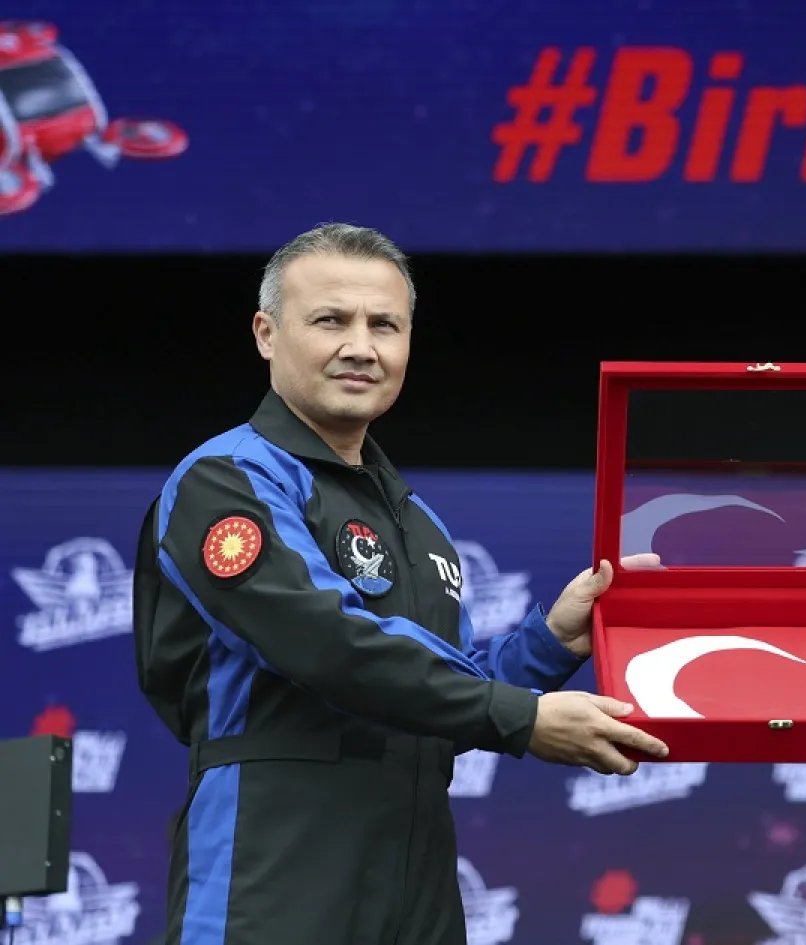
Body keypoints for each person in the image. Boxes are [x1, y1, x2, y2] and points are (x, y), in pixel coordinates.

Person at [131, 223, 671, 945]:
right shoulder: (228, 479)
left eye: (384, 324)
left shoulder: (420, 522)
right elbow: (327, 641)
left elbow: (439, 692)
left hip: (417, 887)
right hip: (273, 875)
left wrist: (550, 642)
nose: (361, 346)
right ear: (266, 333)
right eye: (331, 320)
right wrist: (522, 717)